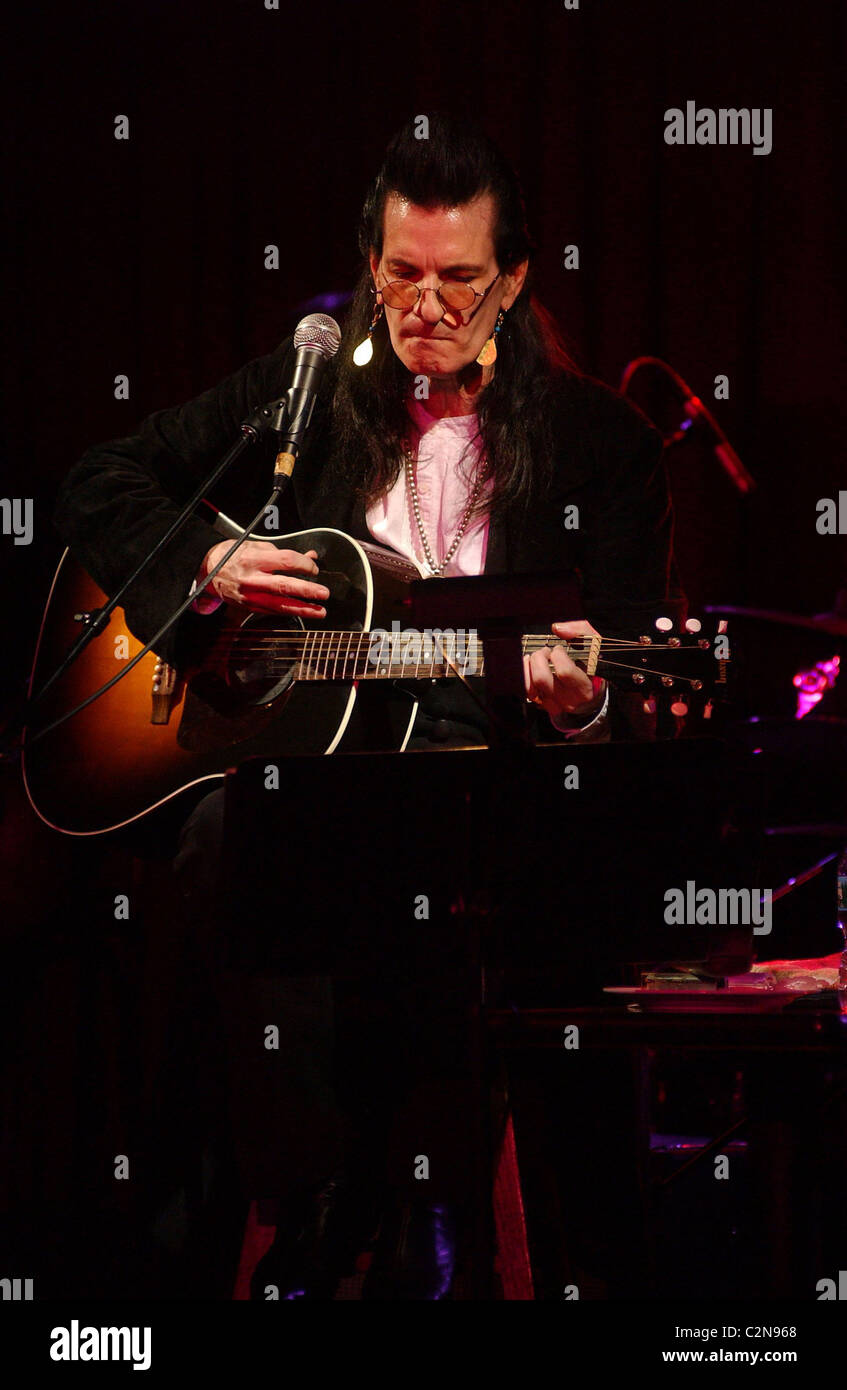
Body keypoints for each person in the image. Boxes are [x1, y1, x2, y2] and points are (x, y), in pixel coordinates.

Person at [53, 114, 684, 1298]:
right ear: (369, 265)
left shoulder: (602, 443)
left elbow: (628, 661)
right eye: (401, 276)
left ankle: (430, 1228)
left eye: (458, 281)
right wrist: (208, 564)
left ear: (514, 281)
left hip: (488, 792)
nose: (425, 307)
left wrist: (581, 697)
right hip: (301, 796)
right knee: (217, 838)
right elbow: (102, 477)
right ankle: (295, 1204)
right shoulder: (303, 396)